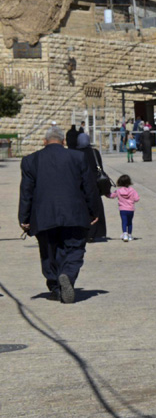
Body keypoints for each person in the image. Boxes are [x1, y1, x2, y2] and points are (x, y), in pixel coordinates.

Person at [18, 124, 101, 303]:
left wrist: (24, 218)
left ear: (44, 141)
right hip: (74, 213)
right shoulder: (78, 157)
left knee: (49, 252)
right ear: (63, 141)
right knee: (74, 248)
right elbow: (89, 187)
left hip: (43, 215)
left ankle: (56, 288)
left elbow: (26, 192)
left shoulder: (30, 160)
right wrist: (94, 211)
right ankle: (67, 275)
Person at [108, 174, 140, 241]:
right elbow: (137, 199)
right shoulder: (132, 190)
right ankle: (130, 235)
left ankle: (125, 234)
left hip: (122, 209)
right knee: (130, 222)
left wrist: (105, 193)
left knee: (124, 222)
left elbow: (111, 196)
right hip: (131, 209)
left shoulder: (118, 191)